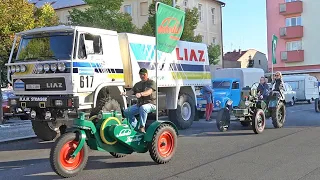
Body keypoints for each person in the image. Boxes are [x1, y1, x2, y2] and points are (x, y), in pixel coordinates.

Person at [120, 68, 156, 133]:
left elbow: (149, 91)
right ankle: (135, 126)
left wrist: (141, 94)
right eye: (141, 74)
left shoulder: (151, 82)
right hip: (140, 104)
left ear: (147, 74)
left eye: (144, 74)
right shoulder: (137, 84)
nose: (142, 76)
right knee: (126, 112)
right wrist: (125, 93)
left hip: (151, 104)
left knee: (143, 108)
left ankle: (142, 127)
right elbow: (132, 91)